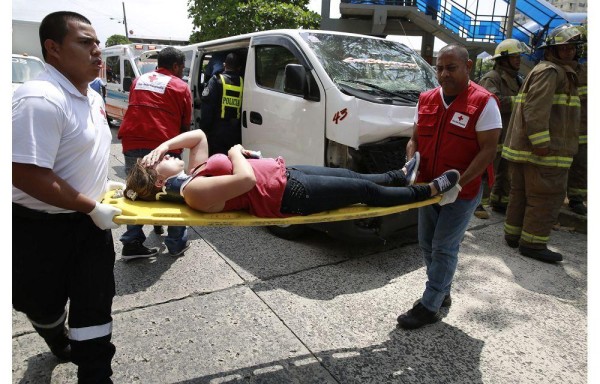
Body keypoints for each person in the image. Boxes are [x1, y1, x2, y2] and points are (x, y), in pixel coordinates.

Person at [12, 11, 123, 383]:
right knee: (40, 303)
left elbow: (81, 154)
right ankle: (55, 335)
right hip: (38, 229)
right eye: (85, 42)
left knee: (95, 307)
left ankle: (96, 375)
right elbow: (23, 172)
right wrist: (89, 203)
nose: (97, 51)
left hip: (90, 226)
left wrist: (101, 187)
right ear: (53, 48)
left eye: (98, 42)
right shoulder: (40, 98)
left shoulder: (91, 97)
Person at [122, 130, 461, 219]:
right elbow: (246, 181)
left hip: (285, 175)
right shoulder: (192, 192)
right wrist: (236, 152)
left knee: (347, 173)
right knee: (363, 192)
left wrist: (165, 143)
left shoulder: (194, 173)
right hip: (286, 195)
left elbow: (197, 137)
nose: (164, 155)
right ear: (159, 181)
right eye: (158, 161)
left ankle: (401, 175)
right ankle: (430, 191)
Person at [397, 44, 502, 330]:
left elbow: (488, 150)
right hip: (428, 188)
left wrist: (460, 184)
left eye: (451, 68)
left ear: (468, 67)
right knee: (426, 243)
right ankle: (441, 289)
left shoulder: (483, 102)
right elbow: (414, 140)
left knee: (444, 247)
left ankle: (430, 305)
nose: (444, 74)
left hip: (462, 191)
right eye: (439, 68)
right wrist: (411, 164)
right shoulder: (427, 99)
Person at [501, 24, 584, 262]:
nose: (568, 52)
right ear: (551, 51)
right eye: (563, 48)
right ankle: (533, 244)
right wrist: (541, 144)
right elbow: (536, 110)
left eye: (572, 48)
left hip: (532, 152)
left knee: (522, 194)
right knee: (545, 197)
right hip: (544, 153)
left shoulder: (550, 70)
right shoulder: (551, 72)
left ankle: (514, 236)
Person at [117, 46, 193, 259]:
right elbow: (185, 125)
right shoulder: (180, 86)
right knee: (173, 194)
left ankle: (132, 242)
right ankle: (176, 243)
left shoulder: (138, 81)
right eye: (182, 67)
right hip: (164, 145)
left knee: (136, 190)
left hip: (133, 142)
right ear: (176, 66)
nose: (182, 71)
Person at [475, 38, 527, 218]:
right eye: (514, 57)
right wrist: (520, 102)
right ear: (503, 59)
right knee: (485, 169)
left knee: (504, 170)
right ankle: (476, 203)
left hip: (508, 132)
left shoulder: (517, 79)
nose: (518, 60)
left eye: (519, 56)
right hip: (492, 133)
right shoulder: (492, 78)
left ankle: (499, 201)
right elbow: (491, 102)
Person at [199, 52, 244, 156]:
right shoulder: (243, 81)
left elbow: (207, 107)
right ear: (239, 67)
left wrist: (204, 129)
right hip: (235, 130)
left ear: (224, 65)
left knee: (216, 159)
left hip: (217, 130)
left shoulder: (216, 80)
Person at [566, 31, 587, 215]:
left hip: (583, 129)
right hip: (562, 129)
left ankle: (576, 198)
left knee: (581, 165)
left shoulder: (586, 72)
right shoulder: (556, 71)